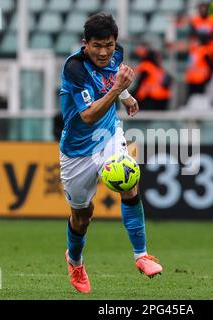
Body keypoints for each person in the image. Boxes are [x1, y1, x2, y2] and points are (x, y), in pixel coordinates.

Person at [59, 13, 162, 294]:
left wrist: (126, 98)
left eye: (109, 44)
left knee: (129, 181)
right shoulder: (74, 68)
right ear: (85, 44)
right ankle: (75, 259)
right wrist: (120, 89)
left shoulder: (117, 54)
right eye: (97, 46)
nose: (104, 52)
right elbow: (89, 115)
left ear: (115, 42)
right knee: (83, 215)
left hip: (108, 137)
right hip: (76, 151)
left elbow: (110, 80)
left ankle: (141, 255)